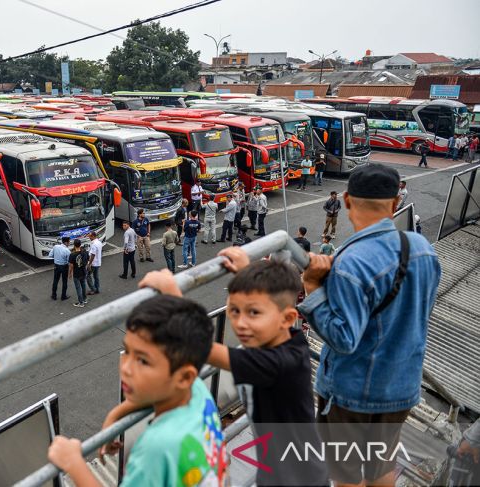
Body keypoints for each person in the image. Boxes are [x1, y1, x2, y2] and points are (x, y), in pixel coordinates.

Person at [299, 163, 441, 487]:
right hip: (401, 387)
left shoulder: (350, 263)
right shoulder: (422, 250)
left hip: (351, 394)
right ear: (395, 202)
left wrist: (312, 288)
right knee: (381, 468)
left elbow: (344, 339)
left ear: (347, 200)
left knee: (345, 475)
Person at [137, 253, 330, 487]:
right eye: (235, 311)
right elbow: (265, 306)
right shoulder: (288, 341)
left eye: (253, 313)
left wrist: (172, 295)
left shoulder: (276, 364)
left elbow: (199, 346)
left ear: (288, 318)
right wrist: (246, 274)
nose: (240, 323)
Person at [48, 295, 225, 486]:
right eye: (127, 352)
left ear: (183, 377)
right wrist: (114, 416)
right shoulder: (197, 390)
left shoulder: (156, 447)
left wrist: (74, 464)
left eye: (143, 360)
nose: (126, 368)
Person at [68, 239, 89, 308]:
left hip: (76, 273)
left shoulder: (72, 255)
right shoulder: (85, 252)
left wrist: (70, 274)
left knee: (78, 288)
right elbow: (87, 260)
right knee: (83, 285)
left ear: (74, 245)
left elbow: (71, 266)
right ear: (80, 244)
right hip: (84, 272)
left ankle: (81, 302)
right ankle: (85, 299)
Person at [51, 237, 71, 301]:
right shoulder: (67, 251)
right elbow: (69, 261)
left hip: (56, 266)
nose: (69, 243)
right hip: (64, 267)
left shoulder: (55, 247)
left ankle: (54, 295)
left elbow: (50, 255)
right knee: (64, 281)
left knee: (55, 281)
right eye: (69, 242)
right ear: (65, 242)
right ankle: (63, 296)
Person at [86, 231, 102, 296]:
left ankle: (93, 289)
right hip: (98, 262)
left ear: (93, 236)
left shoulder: (94, 244)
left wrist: (89, 264)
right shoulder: (99, 242)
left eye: (90, 236)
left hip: (93, 263)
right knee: (96, 276)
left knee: (87, 276)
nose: (89, 237)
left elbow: (93, 255)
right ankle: (97, 289)